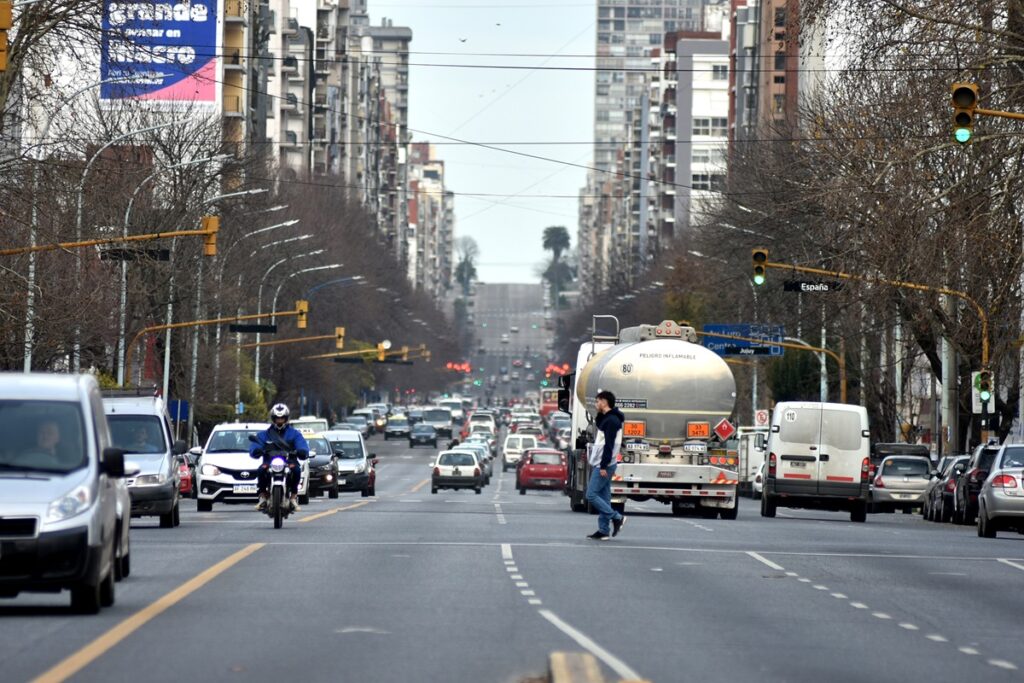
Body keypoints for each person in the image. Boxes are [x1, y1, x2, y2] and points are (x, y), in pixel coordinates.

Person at [249, 403, 309, 512]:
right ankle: (263, 496)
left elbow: (302, 445)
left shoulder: (295, 434)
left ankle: (293, 497)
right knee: (261, 470)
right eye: (277, 418)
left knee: (296, 470)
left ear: (286, 418)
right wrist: (256, 450)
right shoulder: (264, 434)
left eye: (282, 418)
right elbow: (256, 445)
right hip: (269, 461)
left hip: (289, 461)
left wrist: (302, 451)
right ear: (273, 418)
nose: (280, 421)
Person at [586, 390, 626, 540]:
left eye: (597, 401)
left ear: (604, 402)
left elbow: (609, 445)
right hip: (604, 462)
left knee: (591, 495)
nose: (596, 404)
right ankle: (603, 530)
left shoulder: (612, 421)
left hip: (605, 464)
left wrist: (603, 466)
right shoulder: (608, 419)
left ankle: (617, 517)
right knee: (604, 496)